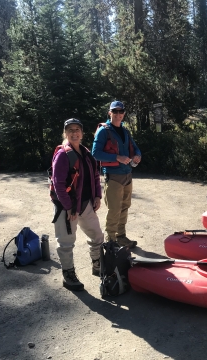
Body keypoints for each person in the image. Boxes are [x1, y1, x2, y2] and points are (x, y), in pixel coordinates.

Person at [51, 118, 104, 291]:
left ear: (82, 133)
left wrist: (97, 196)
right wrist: (68, 207)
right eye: (70, 130)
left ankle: (98, 266)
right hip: (66, 206)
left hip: (86, 203)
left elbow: (95, 176)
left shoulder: (86, 152)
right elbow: (58, 184)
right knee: (66, 242)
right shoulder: (62, 155)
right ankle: (69, 275)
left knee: (97, 235)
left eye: (77, 130)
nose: (74, 133)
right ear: (65, 133)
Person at [92, 101, 142, 248]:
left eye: (121, 112)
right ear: (110, 113)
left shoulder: (125, 131)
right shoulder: (104, 131)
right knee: (114, 209)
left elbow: (136, 148)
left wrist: (138, 156)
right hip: (113, 177)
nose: (118, 115)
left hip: (127, 175)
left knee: (125, 207)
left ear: (124, 114)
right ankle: (111, 240)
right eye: (115, 112)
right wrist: (117, 158)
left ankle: (121, 236)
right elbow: (95, 154)